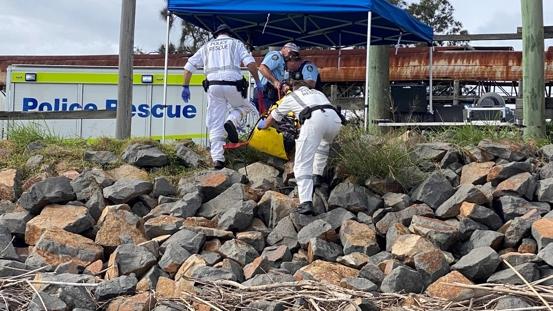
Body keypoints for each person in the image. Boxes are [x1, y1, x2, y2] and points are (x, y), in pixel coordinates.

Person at [181, 24, 262, 170]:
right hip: (234, 85)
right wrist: (257, 81)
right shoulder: (236, 43)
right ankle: (231, 121)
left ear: (216, 34)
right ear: (229, 33)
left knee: (215, 122)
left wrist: (185, 86)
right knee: (245, 106)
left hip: (213, 87)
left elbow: (188, 68)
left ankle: (218, 159)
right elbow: (250, 63)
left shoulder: (206, 46)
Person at [257, 80, 344, 215]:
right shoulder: (318, 92)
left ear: (293, 88)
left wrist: (262, 126)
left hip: (315, 119)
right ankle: (317, 176)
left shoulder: (292, 96)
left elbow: (273, 117)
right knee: (323, 144)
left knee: (302, 163)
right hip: (335, 120)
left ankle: (305, 202)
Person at [255, 42, 301, 111]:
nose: (291, 56)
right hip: (265, 91)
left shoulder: (282, 60)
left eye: (293, 55)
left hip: (270, 93)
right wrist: (275, 81)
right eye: (290, 53)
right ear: (284, 48)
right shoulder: (276, 56)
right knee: (268, 117)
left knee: (272, 116)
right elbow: (262, 68)